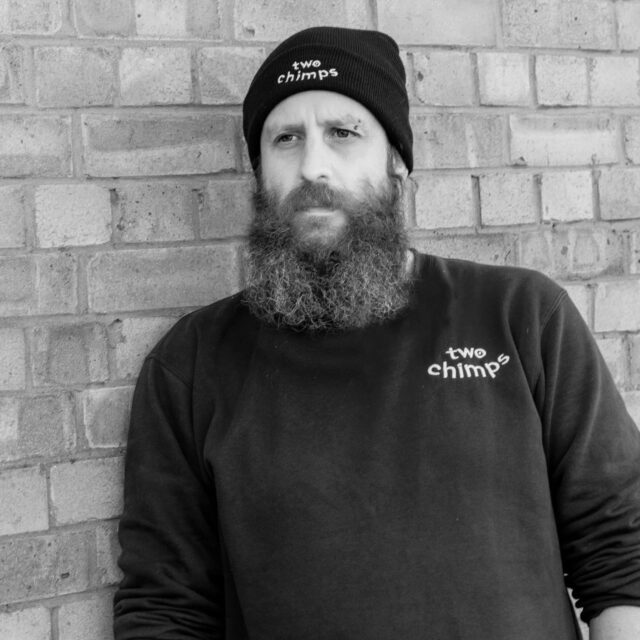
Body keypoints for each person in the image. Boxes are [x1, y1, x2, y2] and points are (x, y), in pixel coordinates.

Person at [113, 26, 640, 640]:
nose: (312, 165)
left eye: (343, 133)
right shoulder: (193, 363)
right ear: (259, 174)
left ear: (396, 162)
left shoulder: (520, 315)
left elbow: (622, 551)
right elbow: (166, 608)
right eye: (286, 138)